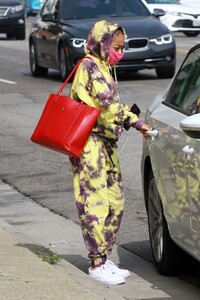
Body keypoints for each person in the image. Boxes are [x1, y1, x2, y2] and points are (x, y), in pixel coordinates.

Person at [69, 19, 151, 286]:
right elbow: (108, 104)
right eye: (116, 47)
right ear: (102, 43)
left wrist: (128, 118)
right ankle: (96, 263)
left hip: (107, 142)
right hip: (90, 143)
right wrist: (136, 122)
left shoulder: (105, 67)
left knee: (115, 203)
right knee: (95, 202)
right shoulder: (89, 66)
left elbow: (113, 105)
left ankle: (104, 257)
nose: (120, 52)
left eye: (122, 48)